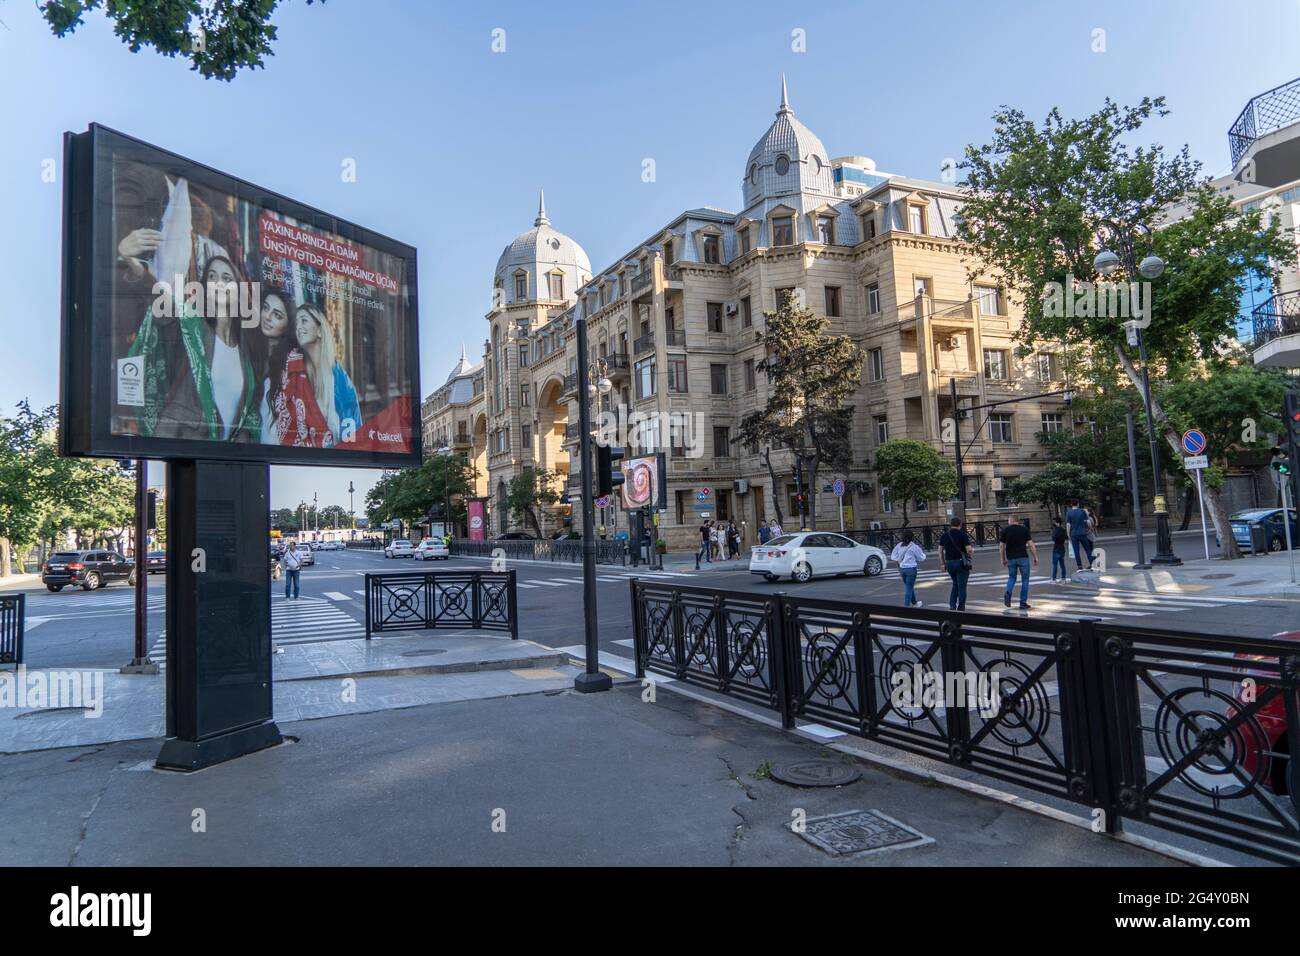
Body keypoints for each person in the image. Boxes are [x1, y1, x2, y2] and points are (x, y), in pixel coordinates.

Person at [999, 515, 1038, 610]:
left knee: (1012, 577)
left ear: (1010, 521)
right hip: (1023, 557)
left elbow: (1001, 546)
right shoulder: (1024, 529)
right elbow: (1030, 544)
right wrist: (1035, 557)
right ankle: (1022, 602)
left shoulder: (1005, 530)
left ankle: (1008, 592)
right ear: (1017, 521)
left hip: (1011, 558)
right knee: (1025, 580)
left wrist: (1002, 559)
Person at [938, 517, 973, 611]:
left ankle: (952, 605)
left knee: (955, 584)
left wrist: (942, 563)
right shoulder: (962, 534)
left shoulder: (945, 535)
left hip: (949, 563)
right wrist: (969, 556)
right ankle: (961, 608)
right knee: (962, 586)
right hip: (961, 562)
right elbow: (969, 549)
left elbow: (940, 550)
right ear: (960, 525)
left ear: (951, 525)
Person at [890, 530, 927, 608]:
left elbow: (893, 557)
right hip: (911, 569)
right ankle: (906, 606)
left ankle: (914, 603)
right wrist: (923, 555)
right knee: (909, 587)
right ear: (912, 538)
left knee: (908, 586)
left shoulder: (899, 545)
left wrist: (899, 568)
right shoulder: (914, 546)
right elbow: (921, 558)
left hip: (902, 569)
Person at [1064, 500, 1095, 570]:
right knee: (1088, 550)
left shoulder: (1069, 513)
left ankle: (1079, 566)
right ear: (1077, 504)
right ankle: (1092, 564)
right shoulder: (1082, 511)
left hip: (1074, 534)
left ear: (1072, 505)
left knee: (1076, 551)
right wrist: (1090, 528)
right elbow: (1088, 521)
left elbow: (1068, 525)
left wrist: (1068, 534)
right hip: (1083, 533)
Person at [1050, 517, 1069, 582]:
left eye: (1055, 522)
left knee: (1055, 565)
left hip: (1056, 549)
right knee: (1062, 565)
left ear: (1057, 523)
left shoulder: (1055, 531)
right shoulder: (1063, 530)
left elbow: (1053, 539)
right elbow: (1066, 537)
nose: (1054, 523)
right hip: (1062, 549)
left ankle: (1054, 579)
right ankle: (1063, 577)